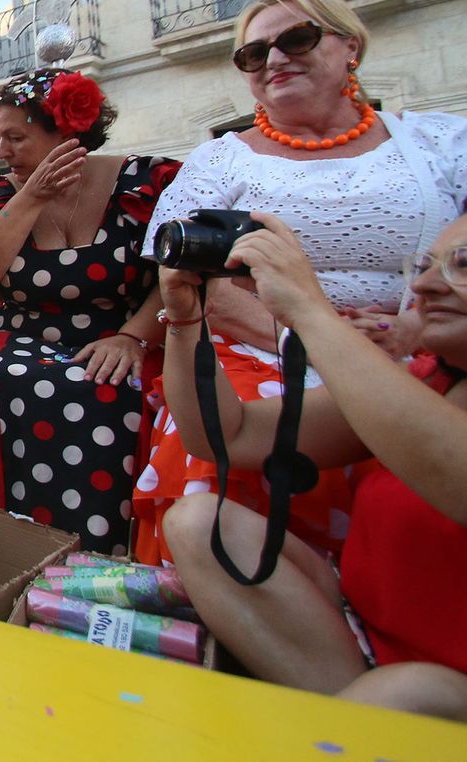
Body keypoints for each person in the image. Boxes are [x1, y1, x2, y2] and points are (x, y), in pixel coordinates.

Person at [134, 0, 467, 563]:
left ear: (349, 47)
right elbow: (196, 282)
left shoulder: (439, 142)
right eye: (253, 54)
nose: (274, 60)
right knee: (218, 448)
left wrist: (415, 334)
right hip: (261, 348)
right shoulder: (220, 159)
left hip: (419, 347)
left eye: (296, 39)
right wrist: (317, 340)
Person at [155, 212, 467, 721]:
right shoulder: (429, 381)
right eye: (424, 265)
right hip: (367, 645)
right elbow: (227, 437)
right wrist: (187, 320)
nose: (427, 286)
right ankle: (355, 720)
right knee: (200, 523)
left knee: (410, 691)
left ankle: (344, 727)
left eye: (463, 265)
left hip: (440, 682)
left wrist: (309, 310)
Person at [0, 69, 179, 553]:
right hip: (20, 336)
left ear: (67, 133)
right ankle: (13, 544)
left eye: (16, 137)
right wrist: (31, 196)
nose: (1, 152)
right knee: (9, 378)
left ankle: (112, 550)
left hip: (126, 331)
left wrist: (133, 337)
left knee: (120, 387)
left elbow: (174, 277)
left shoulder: (145, 183)